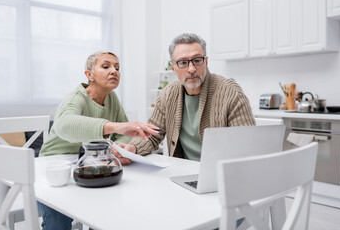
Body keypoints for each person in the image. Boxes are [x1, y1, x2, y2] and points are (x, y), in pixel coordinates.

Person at [38, 50, 159, 230]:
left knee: (109, 210)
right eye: (106, 66)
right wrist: (114, 126)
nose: (114, 71)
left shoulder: (112, 98)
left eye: (117, 68)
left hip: (89, 166)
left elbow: (123, 134)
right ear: (89, 75)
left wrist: (121, 146)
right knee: (59, 219)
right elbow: (64, 125)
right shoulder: (76, 97)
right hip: (54, 168)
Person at [123, 33, 255, 160]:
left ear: (206, 62)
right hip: (182, 174)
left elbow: (247, 147)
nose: (191, 69)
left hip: (221, 174)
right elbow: (152, 135)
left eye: (197, 60)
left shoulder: (231, 93)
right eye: (183, 62)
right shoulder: (168, 94)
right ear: (173, 67)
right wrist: (132, 148)